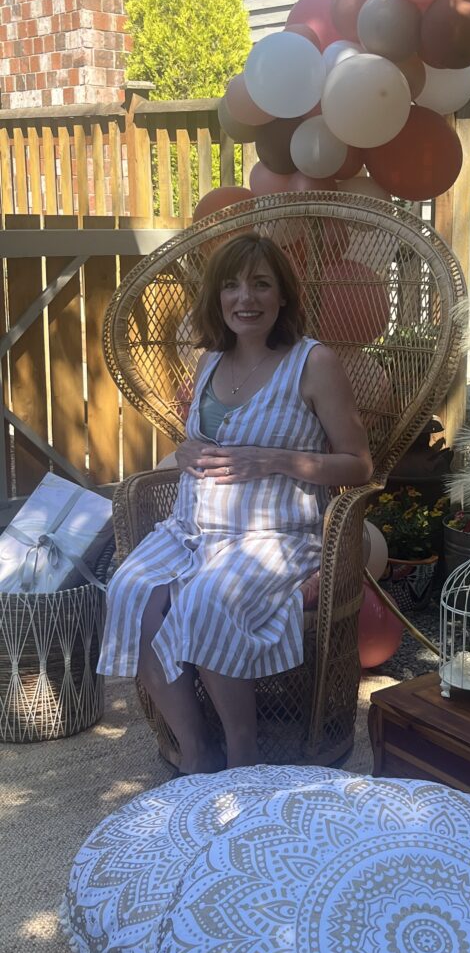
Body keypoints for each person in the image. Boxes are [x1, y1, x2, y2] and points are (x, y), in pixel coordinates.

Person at [98, 234, 373, 774]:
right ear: (217, 299)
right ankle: (197, 748)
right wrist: (184, 448)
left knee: (207, 599)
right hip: (191, 529)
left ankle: (242, 753)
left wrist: (272, 460)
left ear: (283, 296)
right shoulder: (210, 362)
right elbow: (201, 445)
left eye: (260, 284)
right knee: (129, 591)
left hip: (273, 538)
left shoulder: (312, 363)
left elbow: (358, 465)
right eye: (231, 285)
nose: (245, 298)